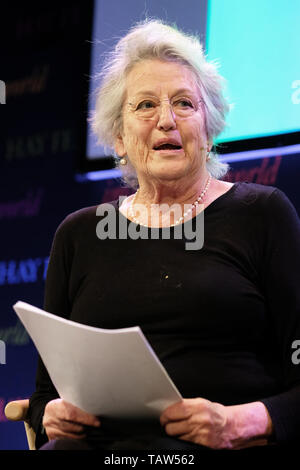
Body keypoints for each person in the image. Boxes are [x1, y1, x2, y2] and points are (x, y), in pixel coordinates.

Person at [28, 20, 300, 451]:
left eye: (184, 104)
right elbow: (45, 397)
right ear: (118, 137)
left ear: (209, 131)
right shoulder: (78, 236)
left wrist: (239, 422)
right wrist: (53, 415)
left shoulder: (262, 214)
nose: (166, 121)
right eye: (145, 106)